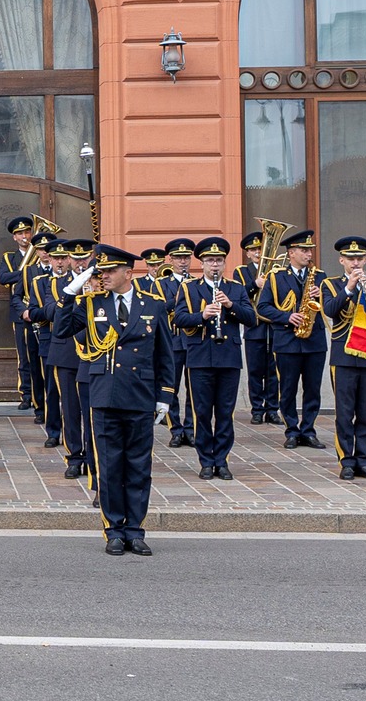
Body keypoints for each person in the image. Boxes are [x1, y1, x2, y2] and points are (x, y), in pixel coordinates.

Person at [55, 246, 174, 556]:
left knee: (139, 467)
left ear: (128, 273)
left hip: (140, 394)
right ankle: (114, 531)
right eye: (101, 271)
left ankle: (135, 530)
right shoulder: (92, 304)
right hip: (105, 394)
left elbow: (164, 354)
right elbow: (61, 329)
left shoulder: (153, 305)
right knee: (109, 467)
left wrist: (164, 396)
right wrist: (69, 293)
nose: (103, 276)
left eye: (110, 271)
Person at [170, 237, 255, 480]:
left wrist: (230, 305)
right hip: (200, 358)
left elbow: (251, 318)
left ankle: (222, 460)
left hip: (228, 358)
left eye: (218, 260)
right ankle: (206, 461)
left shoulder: (235, 288)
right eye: (209, 261)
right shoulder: (189, 288)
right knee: (202, 412)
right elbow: (178, 318)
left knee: (226, 412)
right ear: (202, 264)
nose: (214, 265)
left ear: (225, 263)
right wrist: (202, 315)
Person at [320, 236, 366, 481]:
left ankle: (364, 460)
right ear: (341, 260)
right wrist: (349, 288)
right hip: (343, 357)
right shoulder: (330, 285)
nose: (355, 263)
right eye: (350, 258)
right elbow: (330, 310)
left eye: (360, 259)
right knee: (344, 413)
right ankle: (346, 461)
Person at [257, 229, 327, 450]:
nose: (309, 254)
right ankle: (292, 430)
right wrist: (286, 317)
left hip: (314, 341)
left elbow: (331, 306)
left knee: (313, 389)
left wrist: (321, 296)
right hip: (287, 342)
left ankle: (309, 430)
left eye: (310, 250)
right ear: (291, 253)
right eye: (304, 250)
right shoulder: (276, 277)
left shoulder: (320, 276)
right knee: (287, 389)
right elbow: (262, 307)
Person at [45, 239, 95, 478]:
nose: (80, 263)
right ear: (67, 259)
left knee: (92, 411)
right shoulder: (57, 284)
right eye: (75, 259)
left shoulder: (99, 282)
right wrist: (72, 295)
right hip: (65, 353)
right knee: (70, 410)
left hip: (94, 354)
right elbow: (49, 312)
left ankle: (93, 456)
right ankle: (74, 457)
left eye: (84, 258)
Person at [233, 231, 280, 424]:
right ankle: (257, 409)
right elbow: (238, 294)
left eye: (260, 249)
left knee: (273, 372)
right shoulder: (241, 271)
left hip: (274, 327)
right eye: (253, 250)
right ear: (247, 253)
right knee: (255, 371)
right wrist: (255, 284)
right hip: (254, 327)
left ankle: (273, 409)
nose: (258, 253)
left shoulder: (275, 270)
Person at [0, 217, 42, 415]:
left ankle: (41, 395)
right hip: (20, 311)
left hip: (40, 309)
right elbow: (3, 278)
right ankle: (26, 394)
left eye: (27, 232)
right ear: (14, 237)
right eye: (20, 234)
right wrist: (26, 272)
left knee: (40, 355)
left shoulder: (41, 254)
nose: (24, 236)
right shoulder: (9, 258)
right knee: (24, 356)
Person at [26, 234, 65, 448]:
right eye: (55, 258)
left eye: (63, 258)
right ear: (49, 258)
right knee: (51, 388)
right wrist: (52, 311)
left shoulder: (78, 282)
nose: (59, 262)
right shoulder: (40, 282)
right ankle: (53, 431)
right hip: (49, 338)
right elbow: (33, 312)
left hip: (74, 342)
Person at [161, 238, 198, 447]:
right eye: (178, 258)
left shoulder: (196, 282)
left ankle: (191, 429)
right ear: (171, 260)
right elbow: (158, 309)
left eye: (186, 257)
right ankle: (175, 429)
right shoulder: (161, 283)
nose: (183, 261)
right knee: (170, 388)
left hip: (192, 340)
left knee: (193, 388)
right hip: (171, 341)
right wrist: (177, 299)